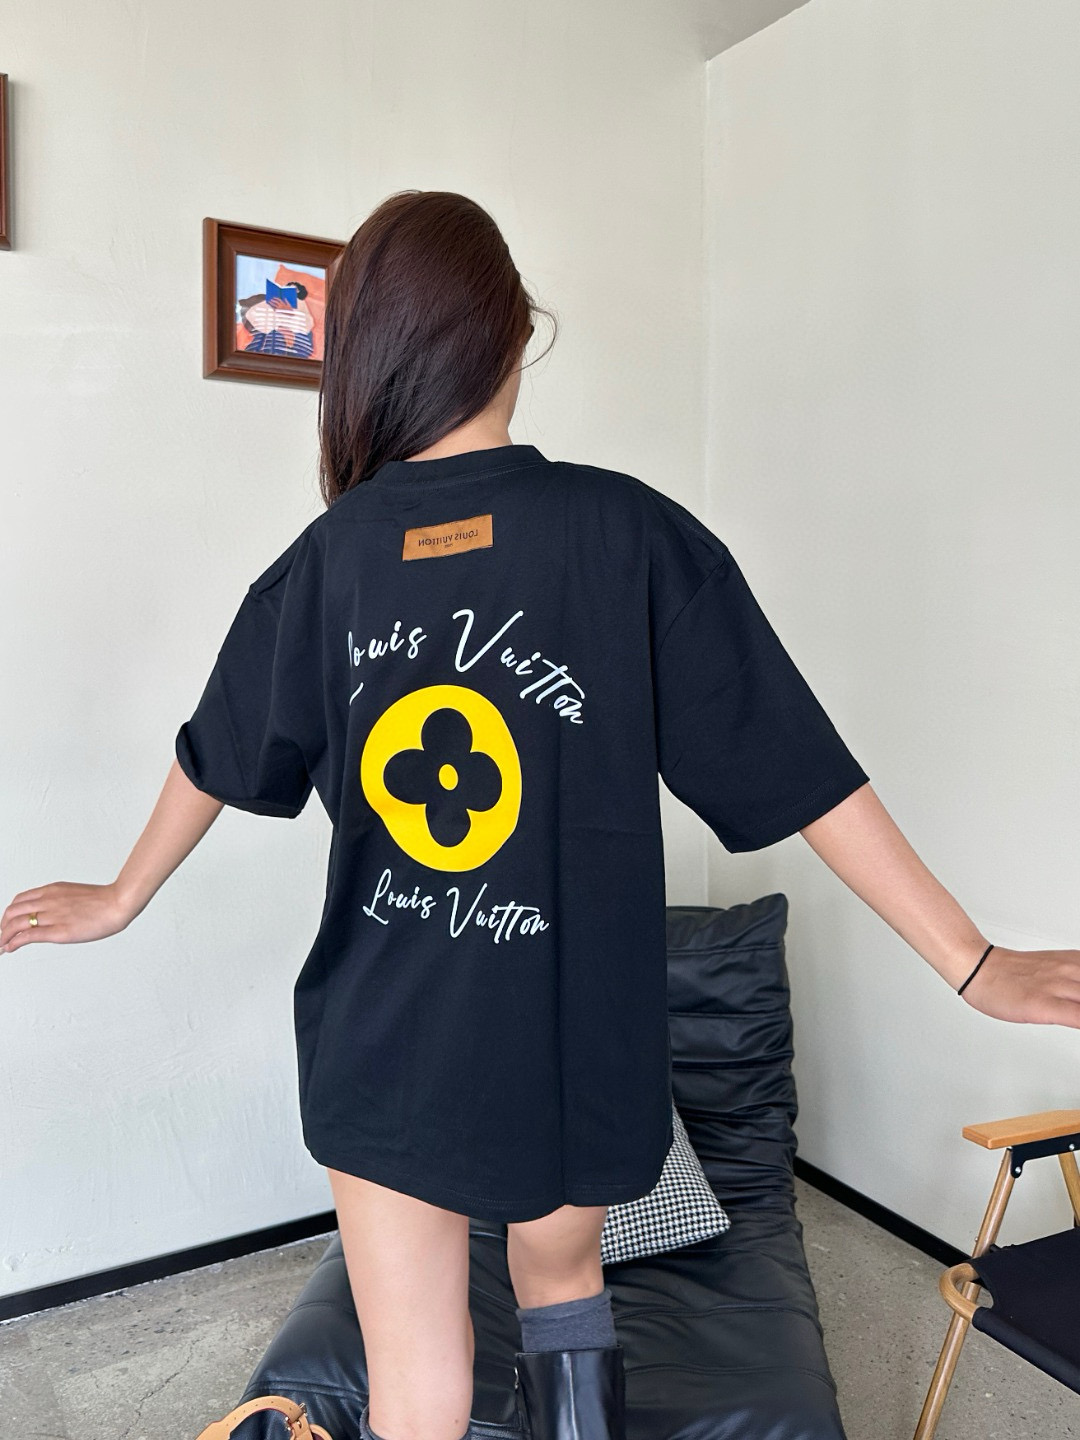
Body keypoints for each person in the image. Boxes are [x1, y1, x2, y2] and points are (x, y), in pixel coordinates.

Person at [3, 189, 1078, 1440]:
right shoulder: (628, 533)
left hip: (378, 1038)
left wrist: (123, 895)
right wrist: (972, 961)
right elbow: (798, 768)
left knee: (415, 1378)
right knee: (563, 1288)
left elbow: (216, 751)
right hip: (572, 1034)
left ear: (361, 358)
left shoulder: (325, 562)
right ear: (513, 335)